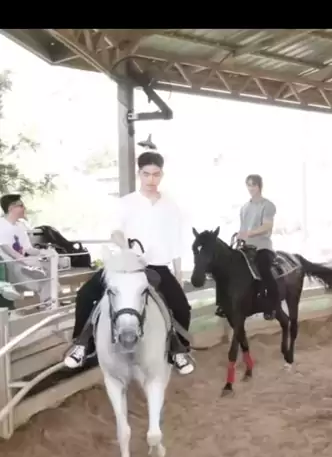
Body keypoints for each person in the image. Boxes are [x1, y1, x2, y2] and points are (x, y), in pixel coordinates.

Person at [64, 151, 194, 375]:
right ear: (139, 174)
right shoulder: (126, 203)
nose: (151, 179)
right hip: (126, 263)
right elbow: (115, 231)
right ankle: (82, 344)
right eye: (146, 174)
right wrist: (126, 246)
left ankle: (177, 349)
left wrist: (178, 273)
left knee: (182, 307)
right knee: (85, 295)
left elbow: (176, 242)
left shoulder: (171, 206)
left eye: (156, 174)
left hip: (157, 266)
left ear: (162, 175)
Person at [238, 174, 278, 320]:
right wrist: (240, 237)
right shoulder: (244, 208)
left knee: (264, 269)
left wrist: (249, 233)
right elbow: (243, 228)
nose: (251, 188)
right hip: (246, 247)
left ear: (259, 186)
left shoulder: (267, 205)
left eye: (253, 185)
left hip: (262, 246)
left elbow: (267, 226)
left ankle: (272, 305)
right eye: (248, 185)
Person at [0, 194, 51, 305]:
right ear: (11, 208)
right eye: (21, 206)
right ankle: (48, 303)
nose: (24, 208)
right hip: (10, 266)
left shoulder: (20, 226)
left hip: (24, 263)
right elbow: (10, 252)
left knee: (50, 271)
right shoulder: (1, 224)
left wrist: (43, 253)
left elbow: (28, 249)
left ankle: (48, 304)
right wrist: (28, 262)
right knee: (46, 279)